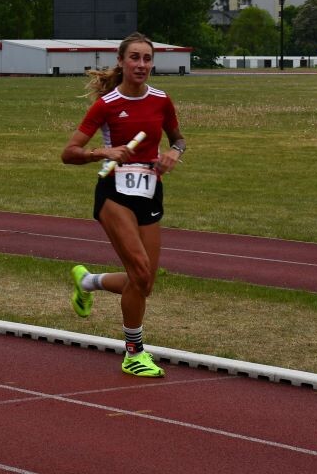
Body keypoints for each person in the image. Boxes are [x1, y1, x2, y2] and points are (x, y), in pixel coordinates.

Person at [61, 33, 185, 378]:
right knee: (141, 273)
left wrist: (174, 154)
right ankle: (134, 352)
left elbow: (178, 139)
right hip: (113, 194)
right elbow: (68, 153)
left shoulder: (162, 100)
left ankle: (88, 282)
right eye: (135, 58)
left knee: (144, 282)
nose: (141, 65)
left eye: (147, 59)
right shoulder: (107, 105)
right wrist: (104, 152)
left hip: (149, 192)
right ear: (121, 62)